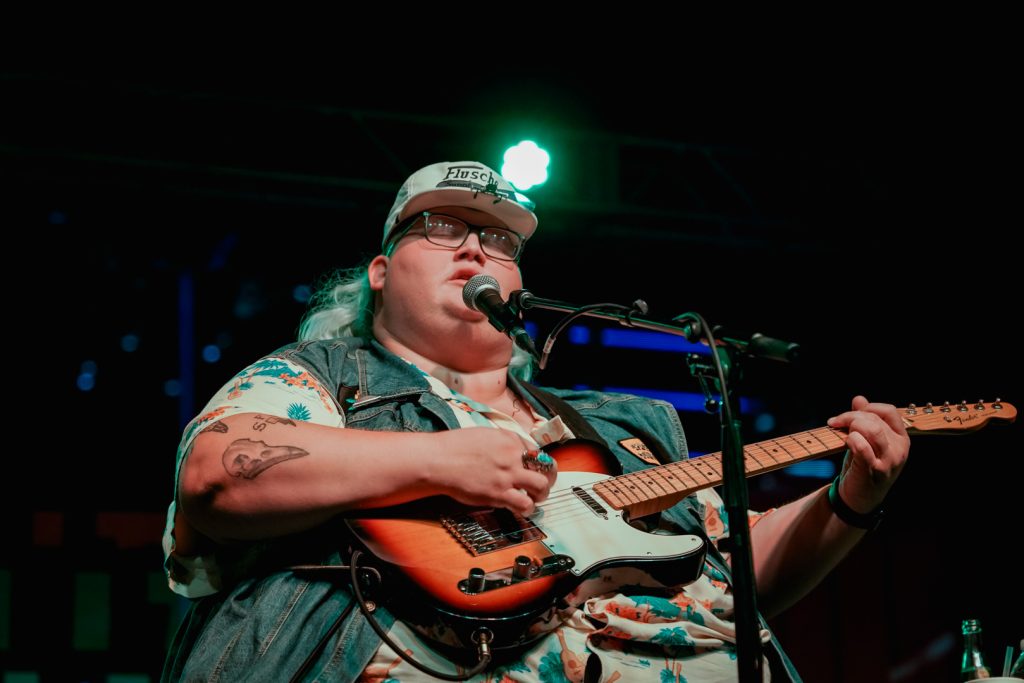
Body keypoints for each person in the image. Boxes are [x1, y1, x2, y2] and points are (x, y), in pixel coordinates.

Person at [160, 160, 910, 682]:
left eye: (498, 241)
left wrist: (851, 498)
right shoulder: (323, 376)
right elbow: (219, 473)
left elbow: (731, 563)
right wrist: (436, 461)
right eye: (442, 228)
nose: (475, 249)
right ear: (381, 272)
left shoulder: (619, 427)